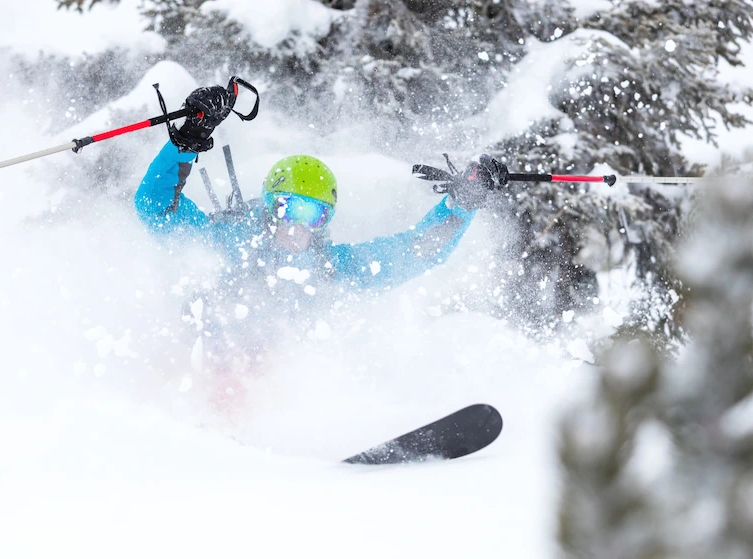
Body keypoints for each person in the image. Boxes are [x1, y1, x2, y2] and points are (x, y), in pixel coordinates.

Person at [133, 85, 507, 407]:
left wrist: (462, 205)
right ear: (269, 206)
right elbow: (153, 204)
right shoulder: (229, 240)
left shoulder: (331, 267)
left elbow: (418, 250)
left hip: (278, 392)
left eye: (314, 216)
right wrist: (187, 141)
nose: (297, 225)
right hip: (204, 373)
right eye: (287, 208)